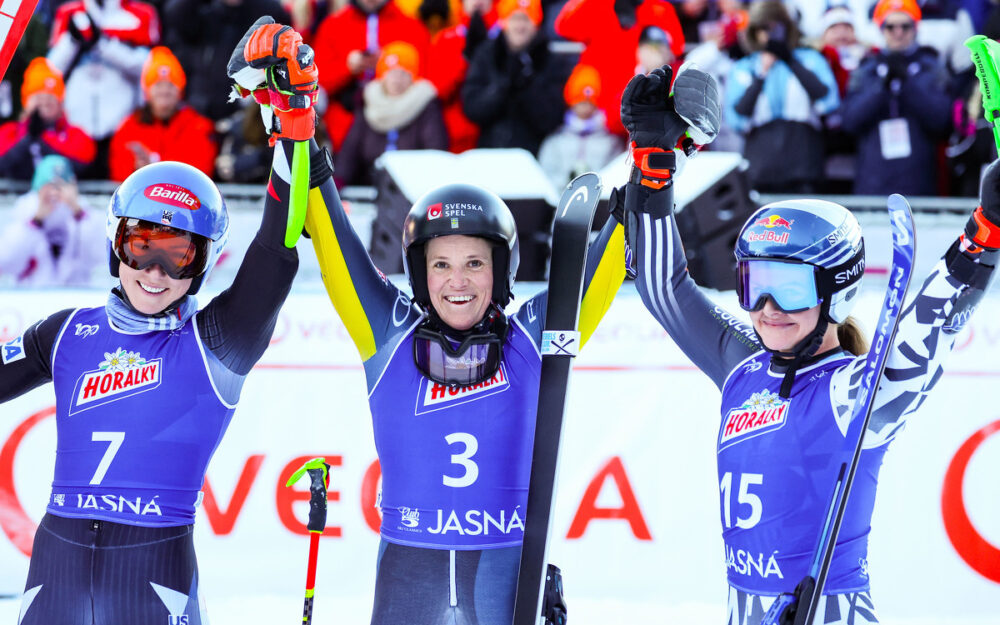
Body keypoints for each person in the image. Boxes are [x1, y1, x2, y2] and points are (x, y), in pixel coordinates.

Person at [300, 65, 720, 625]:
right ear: (418, 273)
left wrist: (660, 159)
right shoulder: (387, 332)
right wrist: (293, 117)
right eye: (441, 264)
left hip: (504, 586)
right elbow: (333, 240)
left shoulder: (532, 337)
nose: (457, 281)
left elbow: (607, 254)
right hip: (408, 587)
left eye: (475, 264)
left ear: (501, 272)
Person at [623, 63, 999, 625]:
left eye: (791, 288)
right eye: (755, 285)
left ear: (836, 294)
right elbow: (662, 285)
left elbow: (924, 334)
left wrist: (985, 232)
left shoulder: (855, 393)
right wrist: (652, 167)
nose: (768, 309)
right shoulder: (741, 365)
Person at [0, 21, 316, 624]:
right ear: (117, 242)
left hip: (153, 582)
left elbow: (277, 252)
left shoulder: (217, 342)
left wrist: (293, 122)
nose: (154, 269)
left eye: (177, 254)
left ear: (203, 264)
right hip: (54, 577)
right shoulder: (65, 333)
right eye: (141, 242)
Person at [723, 0, 839, 193]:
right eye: (764, 28)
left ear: (788, 29)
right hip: (761, 165)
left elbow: (828, 100)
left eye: (776, 26)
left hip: (804, 162)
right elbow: (737, 117)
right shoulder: (743, 68)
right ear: (754, 31)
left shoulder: (810, 59)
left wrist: (790, 61)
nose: (770, 33)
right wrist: (762, 73)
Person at [839, 0, 951, 197]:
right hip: (873, 180)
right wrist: (881, 88)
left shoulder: (931, 67)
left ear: (915, 28)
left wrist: (908, 85)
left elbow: (942, 120)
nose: (898, 32)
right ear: (881, 29)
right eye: (891, 27)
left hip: (918, 181)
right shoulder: (867, 70)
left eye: (905, 26)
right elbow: (849, 121)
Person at [46, 0, 161, 179]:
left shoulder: (142, 13)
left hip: (121, 121)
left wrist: (104, 45)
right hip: (77, 121)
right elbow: (52, 68)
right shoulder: (69, 12)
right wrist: (72, 41)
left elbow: (149, 66)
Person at [312, 0, 431, 149]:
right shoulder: (333, 26)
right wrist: (347, 68)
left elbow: (424, 81)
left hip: (398, 126)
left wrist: (390, 65)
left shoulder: (411, 26)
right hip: (343, 129)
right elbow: (315, 82)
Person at [334, 41, 448, 187]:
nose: (397, 79)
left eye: (404, 73)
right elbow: (350, 150)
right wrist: (339, 181)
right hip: (371, 183)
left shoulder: (425, 103)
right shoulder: (369, 101)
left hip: (412, 184)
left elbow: (435, 151)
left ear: (413, 77)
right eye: (392, 72)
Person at [462, 0, 569, 155]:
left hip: (533, 156)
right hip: (489, 153)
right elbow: (472, 108)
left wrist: (526, 85)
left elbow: (551, 118)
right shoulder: (486, 55)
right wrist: (503, 86)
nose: (520, 26)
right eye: (515, 19)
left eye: (526, 19)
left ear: (536, 24)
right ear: (504, 22)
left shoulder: (550, 61)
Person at [109, 46, 218, 182]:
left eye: (171, 85)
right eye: (158, 85)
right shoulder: (128, 129)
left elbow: (200, 175)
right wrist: (137, 171)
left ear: (180, 91)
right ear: (147, 91)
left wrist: (153, 169)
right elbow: (118, 176)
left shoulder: (199, 127)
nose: (165, 91)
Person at [0, 155, 104, 287]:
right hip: (31, 299)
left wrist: (77, 211)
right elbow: (6, 262)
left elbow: (101, 255)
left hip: (75, 299)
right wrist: (36, 221)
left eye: (60, 187)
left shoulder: (82, 215)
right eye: (49, 187)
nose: (54, 193)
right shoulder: (24, 212)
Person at [0, 58, 96, 181]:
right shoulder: (8, 133)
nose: (44, 102)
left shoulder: (76, 135)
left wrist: (42, 142)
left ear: (60, 103)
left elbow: (81, 167)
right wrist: (27, 139)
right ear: (26, 102)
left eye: (50, 97)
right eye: (38, 97)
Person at [537, 63, 623, 190]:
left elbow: (615, 174)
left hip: (600, 203)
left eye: (589, 101)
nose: (585, 107)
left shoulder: (610, 142)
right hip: (561, 202)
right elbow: (546, 174)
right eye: (580, 100)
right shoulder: (556, 140)